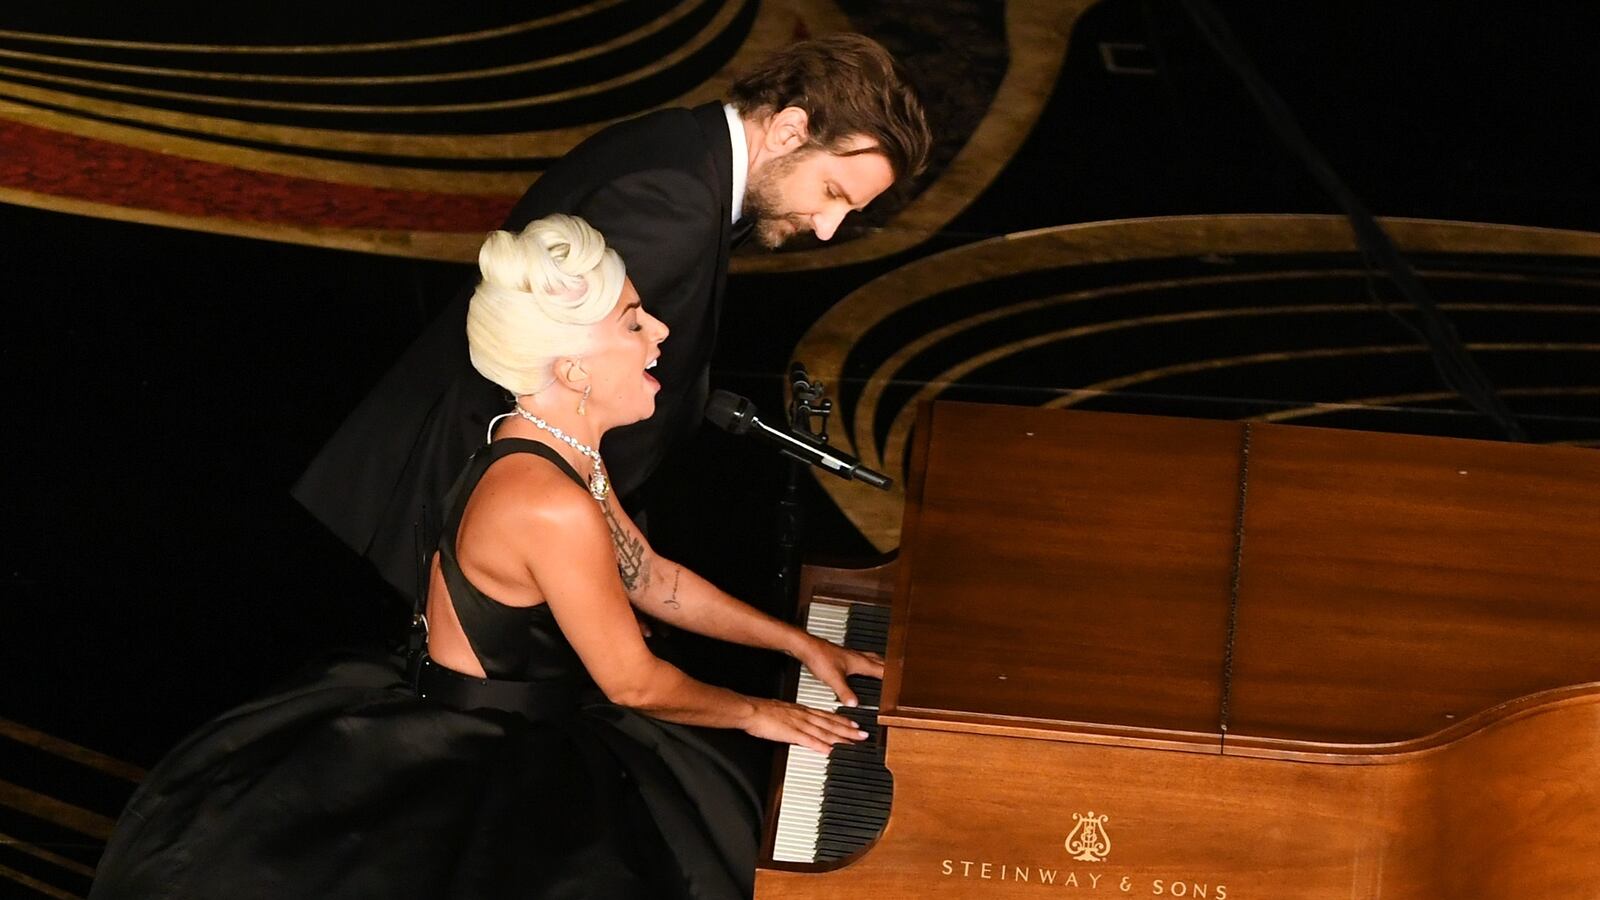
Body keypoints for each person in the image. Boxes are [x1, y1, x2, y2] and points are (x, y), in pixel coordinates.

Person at [91, 215, 884, 900]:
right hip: (488, 750)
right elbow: (633, 681)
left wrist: (798, 643)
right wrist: (760, 713)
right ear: (571, 370)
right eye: (635, 324)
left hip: (528, 721)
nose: (660, 337)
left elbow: (658, 583)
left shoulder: (551, 445)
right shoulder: (550, 501)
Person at [293, 34, 932, 601]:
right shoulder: (675, 203)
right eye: (832, 195)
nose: (827, 230)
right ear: (791, 130)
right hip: (457, 517)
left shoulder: (685, 149)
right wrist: (604, 569)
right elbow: (573, 388)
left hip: (484, 505)